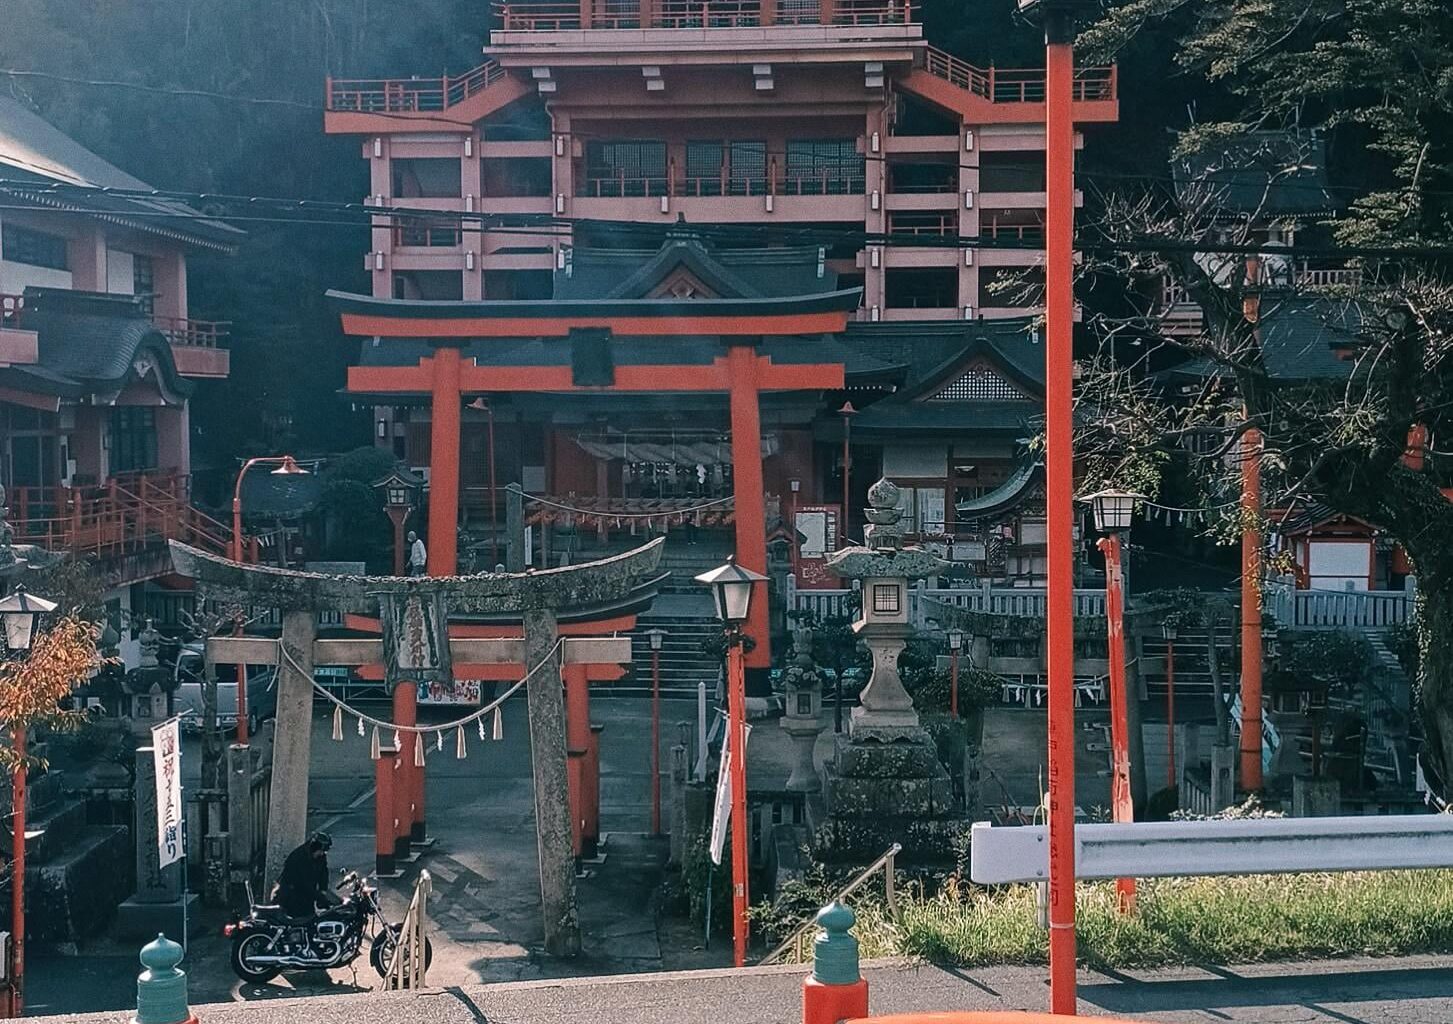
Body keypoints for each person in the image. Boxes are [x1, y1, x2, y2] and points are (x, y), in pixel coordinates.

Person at [272, 832, 334, 918]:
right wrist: (319, 897)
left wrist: (323, 889)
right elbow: (302, 884)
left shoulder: (320, 857)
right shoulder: (298, 857)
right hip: (292, 897)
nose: (322, 854)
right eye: (320, 851)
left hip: (307, 898)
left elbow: (323, 872)